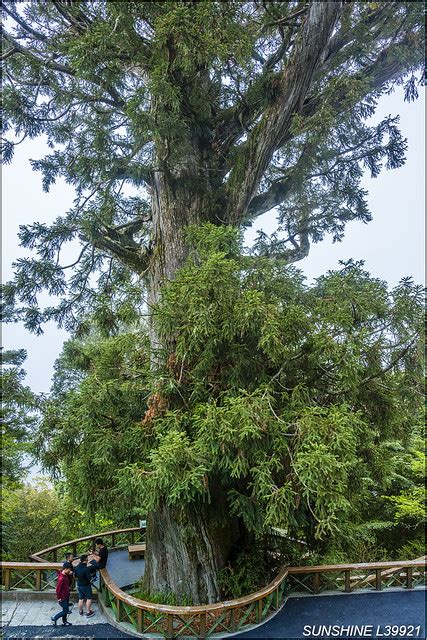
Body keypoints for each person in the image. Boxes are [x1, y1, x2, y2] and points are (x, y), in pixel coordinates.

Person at [51, 562, 73, 627]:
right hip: (62, 597)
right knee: (66, 610)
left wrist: (70, 574)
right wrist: (59, 598)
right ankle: (54, 617)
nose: (70, 570)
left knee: (65, 609)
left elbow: (69, 580)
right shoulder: (61, 578)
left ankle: (64, 622)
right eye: (69, 569)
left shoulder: (65, 574)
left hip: (66, 595)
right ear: (66, 569)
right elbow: (58, 589)